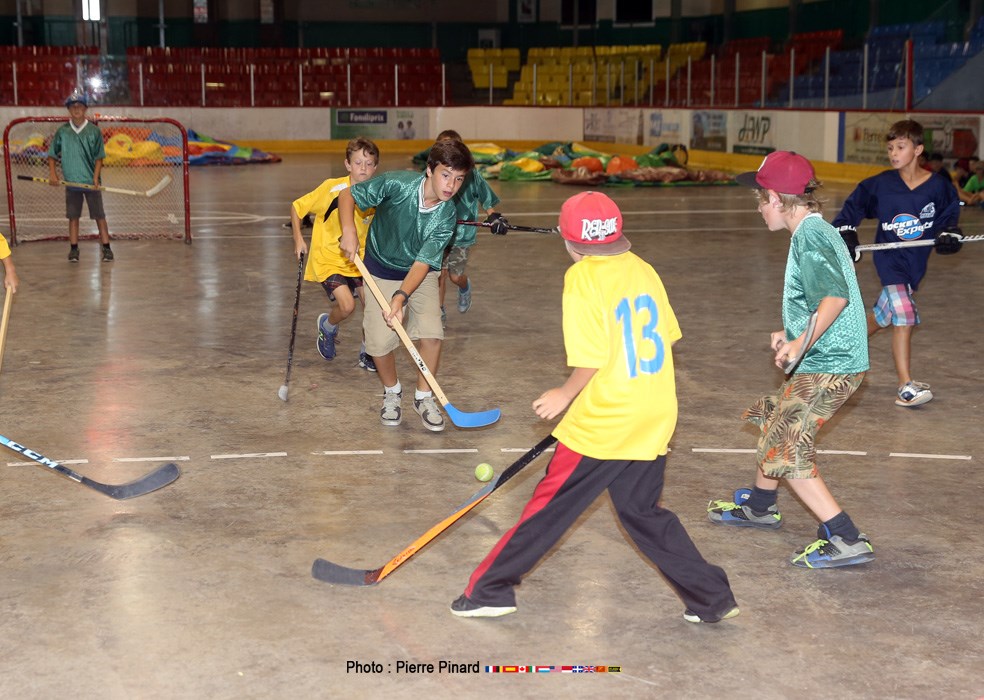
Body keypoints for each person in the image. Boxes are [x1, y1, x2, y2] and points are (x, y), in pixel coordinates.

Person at [450, 191, 738, 622]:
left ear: (570, 243)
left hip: (605, 420)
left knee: (547, 508)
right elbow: (667, 337)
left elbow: (592, 356)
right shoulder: (643, 269)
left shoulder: (582, 278)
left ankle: (488, 590)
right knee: (640, 512)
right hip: (654, 412)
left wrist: (565, 394)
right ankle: (712, 597)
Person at [707, 151, 874, 569]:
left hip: (832, 362)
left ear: (778, 199)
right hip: (822, 354)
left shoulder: (811, 236)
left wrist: (800, 344)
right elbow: (824, 296)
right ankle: (761, 506)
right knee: (776, 419)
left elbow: (835, 298)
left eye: (761, 200)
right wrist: (795, 334)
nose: (759, 209)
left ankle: (847, 538)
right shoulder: (814, 232)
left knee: (786, 443)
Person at [337, 139, 473, 432]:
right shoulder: (397, 184)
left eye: (459, 179)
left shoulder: (448, 214)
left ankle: (424, 397)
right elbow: (348, 195)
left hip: (418, 274)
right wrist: (349, 230)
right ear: (429, 170)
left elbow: (423, 263)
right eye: (445, 175)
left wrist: (400, 297)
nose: (451, 185)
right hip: (380, 269)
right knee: (378, 342)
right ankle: (392, 391)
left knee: (432, 332)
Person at [833, 119, 962, 407]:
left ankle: (835, 344)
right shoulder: (880, 185)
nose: (893, 153)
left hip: (915, 263)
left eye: (900, 147)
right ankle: (905, 386)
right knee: (904, 314)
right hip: (890, 261)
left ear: (918, 149)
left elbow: (948, 217)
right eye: (890, 147)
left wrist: (949, 234)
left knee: (884, 317)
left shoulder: (938, 187)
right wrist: (846, 232)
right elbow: (850, 211)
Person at [290, 137, 379, 371]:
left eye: (369, 164)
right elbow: (297, 208)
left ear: (375, 167)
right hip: (329, 257)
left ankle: (368, 350)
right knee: (348, 306)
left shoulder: (377, 194)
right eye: (358, 162)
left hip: (359, 260)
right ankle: (327, 327)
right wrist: (298, 238)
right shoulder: (331, 188)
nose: (363, 168)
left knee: (373, 308)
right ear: (347, 164)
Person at [433, 130, 507, 324]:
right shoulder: (434, 173)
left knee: (454, 277)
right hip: (439, 233)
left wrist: (494, 217)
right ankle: (438, 309)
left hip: (461, 236)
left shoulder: (472, 176)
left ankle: (464, 287)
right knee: (438, 274)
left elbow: (486, 198)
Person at [46, 91, 114, 263]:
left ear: (85, 108)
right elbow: (52, 155)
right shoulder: (63, 131)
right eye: (73, 106)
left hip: (91, 183)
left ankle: (106, 248)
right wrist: (53, 174)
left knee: (99, 216)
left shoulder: (94, 131)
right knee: (73, 217)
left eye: (80, 106)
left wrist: (95, 178)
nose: (76, 109)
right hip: (71, 182)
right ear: (69, 109)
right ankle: (74, 249)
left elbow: (99, 158)